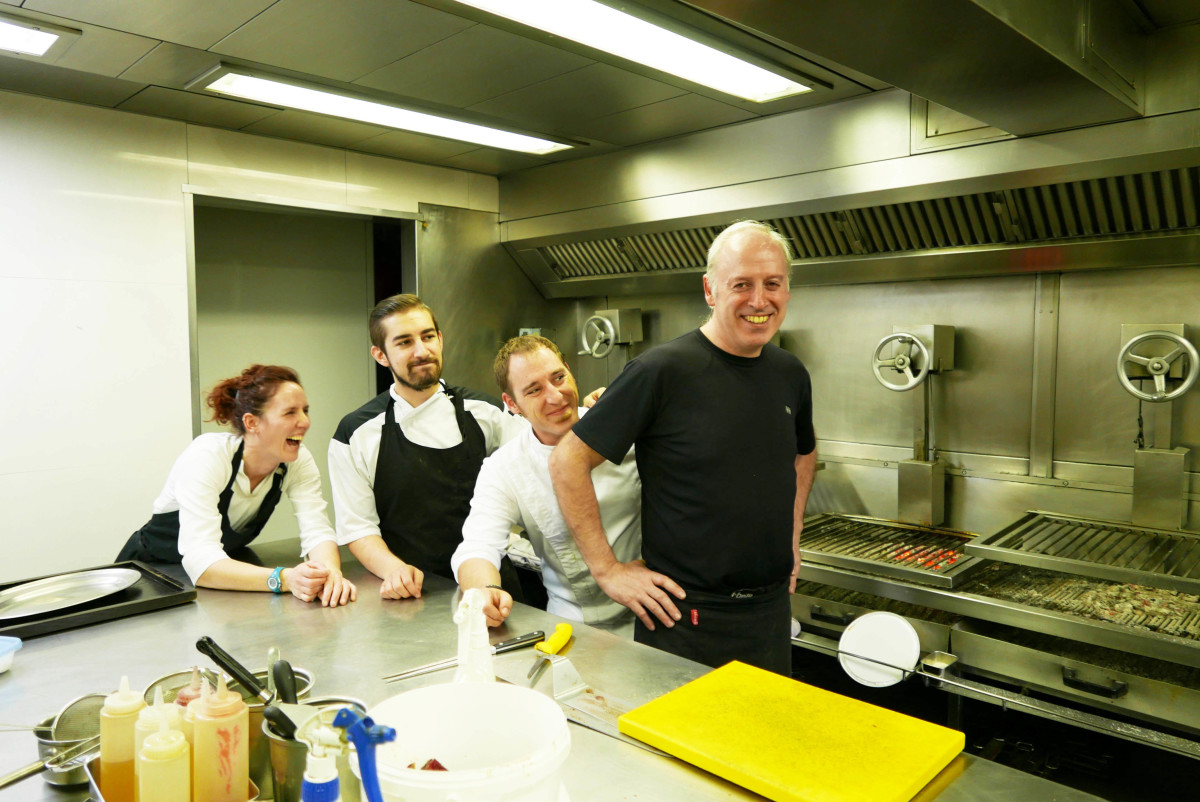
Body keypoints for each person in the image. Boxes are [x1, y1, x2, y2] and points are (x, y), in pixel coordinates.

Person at [549, 220, 818, 674]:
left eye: (773, 283)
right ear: (710, 290)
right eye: (742, 285)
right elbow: (567, 460)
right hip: (684, 619)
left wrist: (792, 536)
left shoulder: (790, 373)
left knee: (763, 743)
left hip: (769, 615)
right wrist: (607, 570)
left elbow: (804, 452)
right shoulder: (661, 371)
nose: (759, 300)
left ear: (787, 290)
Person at [328, 294, 527, 600]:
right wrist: (394, 570)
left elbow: (539, 464)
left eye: (428, 336)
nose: (422, 351)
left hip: (492, 587)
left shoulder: (488, 413)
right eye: (404, 342)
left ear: (440, 339)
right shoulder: (356, 432)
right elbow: (358, 528)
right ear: (380, 355)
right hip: (410, 593)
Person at [118, 365, 357, 606]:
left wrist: (330, 576)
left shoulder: (296, 461)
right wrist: (286, 579)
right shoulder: (207, 455)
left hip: (217, 585)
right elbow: (200, 561)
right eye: (290, 413)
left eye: (305, 411)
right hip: (148, 578)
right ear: (252, 422)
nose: (304, 422)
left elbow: (317, 530)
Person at [452, 335, 640, 632]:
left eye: (559, 377)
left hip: (654, 610)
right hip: (572, 625)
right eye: (534, 390)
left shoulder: (626, 433)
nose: (556, 396)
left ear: (569, 370)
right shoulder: (506, 467)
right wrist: (484, 590)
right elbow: (478, 545)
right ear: (512, 403)